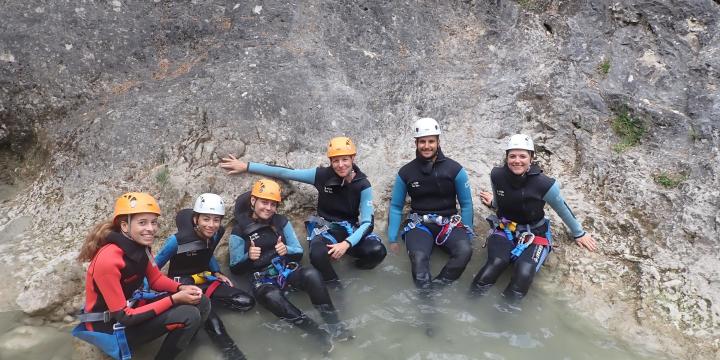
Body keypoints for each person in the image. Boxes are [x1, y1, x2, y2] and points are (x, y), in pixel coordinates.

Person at [220, 136, 387, 284]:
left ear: (353, 158)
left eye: (345, 159)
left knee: (377, 251)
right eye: (335, 160)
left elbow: (367, 223)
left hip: (349, 229)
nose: (341, 165)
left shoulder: (363, 184)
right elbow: (285, 172)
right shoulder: (321, 175)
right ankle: (334, 285)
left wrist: (346, 244)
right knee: (317, 255)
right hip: (325, 228)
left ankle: (355, 269)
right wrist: (246, 166)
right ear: (330, 161)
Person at [74, 192, 210, 360]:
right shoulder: (108, 260)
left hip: (132, 308)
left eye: (154, 222)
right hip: (109, 326)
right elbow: (125, 316)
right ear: (125, 226)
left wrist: (180, 288)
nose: (151, 229)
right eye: (142, 223)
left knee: (201, 299)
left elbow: (156, 280)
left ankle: (185, 344)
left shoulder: (141, 247)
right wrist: (175, 299)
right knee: (189, 314)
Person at [228, 179, 351, 353]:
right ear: (253, 201)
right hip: (262, 280)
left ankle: (335, 324)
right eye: (264, 202)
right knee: (272, 296)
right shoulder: (239, 231)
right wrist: (249, 258)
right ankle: (316, 333)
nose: (268, 208)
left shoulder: (281, 222)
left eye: (273, 204)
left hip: (285, 270)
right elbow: (235, 268)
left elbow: (298, 252)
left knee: (312, 274)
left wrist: (286, 250)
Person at [471, 134, 597, 300]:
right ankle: (470, 302)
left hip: (534, 233)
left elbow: (563, 209)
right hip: (504, 228)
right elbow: (500, 199)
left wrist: (579, 233)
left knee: (523, 273)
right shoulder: (497, 175)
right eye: (512, 156)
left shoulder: (544, 184)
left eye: (523, 156)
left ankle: (503, 318)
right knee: (495, 264)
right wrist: (494, 203)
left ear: (531, 158)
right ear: (506, 157)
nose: (517, 161)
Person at [154, 193, 254, 359]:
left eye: (216, 220)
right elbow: (153, 268)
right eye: (206, 219)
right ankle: (236, 356)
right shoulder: (177, 241)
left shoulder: (216, 233)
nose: (211, 225)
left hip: (204, 279)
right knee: (215, 324)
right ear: (196, 220)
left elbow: (208, 253)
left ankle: (202, 314)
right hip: (183, 285)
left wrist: (217, 272)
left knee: (246, 302)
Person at [387, 118, 474, 290]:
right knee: (419, 260)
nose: (427, 146)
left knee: (465, 252)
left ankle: (436, 289)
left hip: (448, 224)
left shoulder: (455, 169)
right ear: (416, 143)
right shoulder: (406, 172)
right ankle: (427, 304)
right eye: (422, 142)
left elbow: (466, 204)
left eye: (431, 141)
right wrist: (392, 239)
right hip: (419, 225)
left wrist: (468, 232)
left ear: (438, 142)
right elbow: (396, 207)